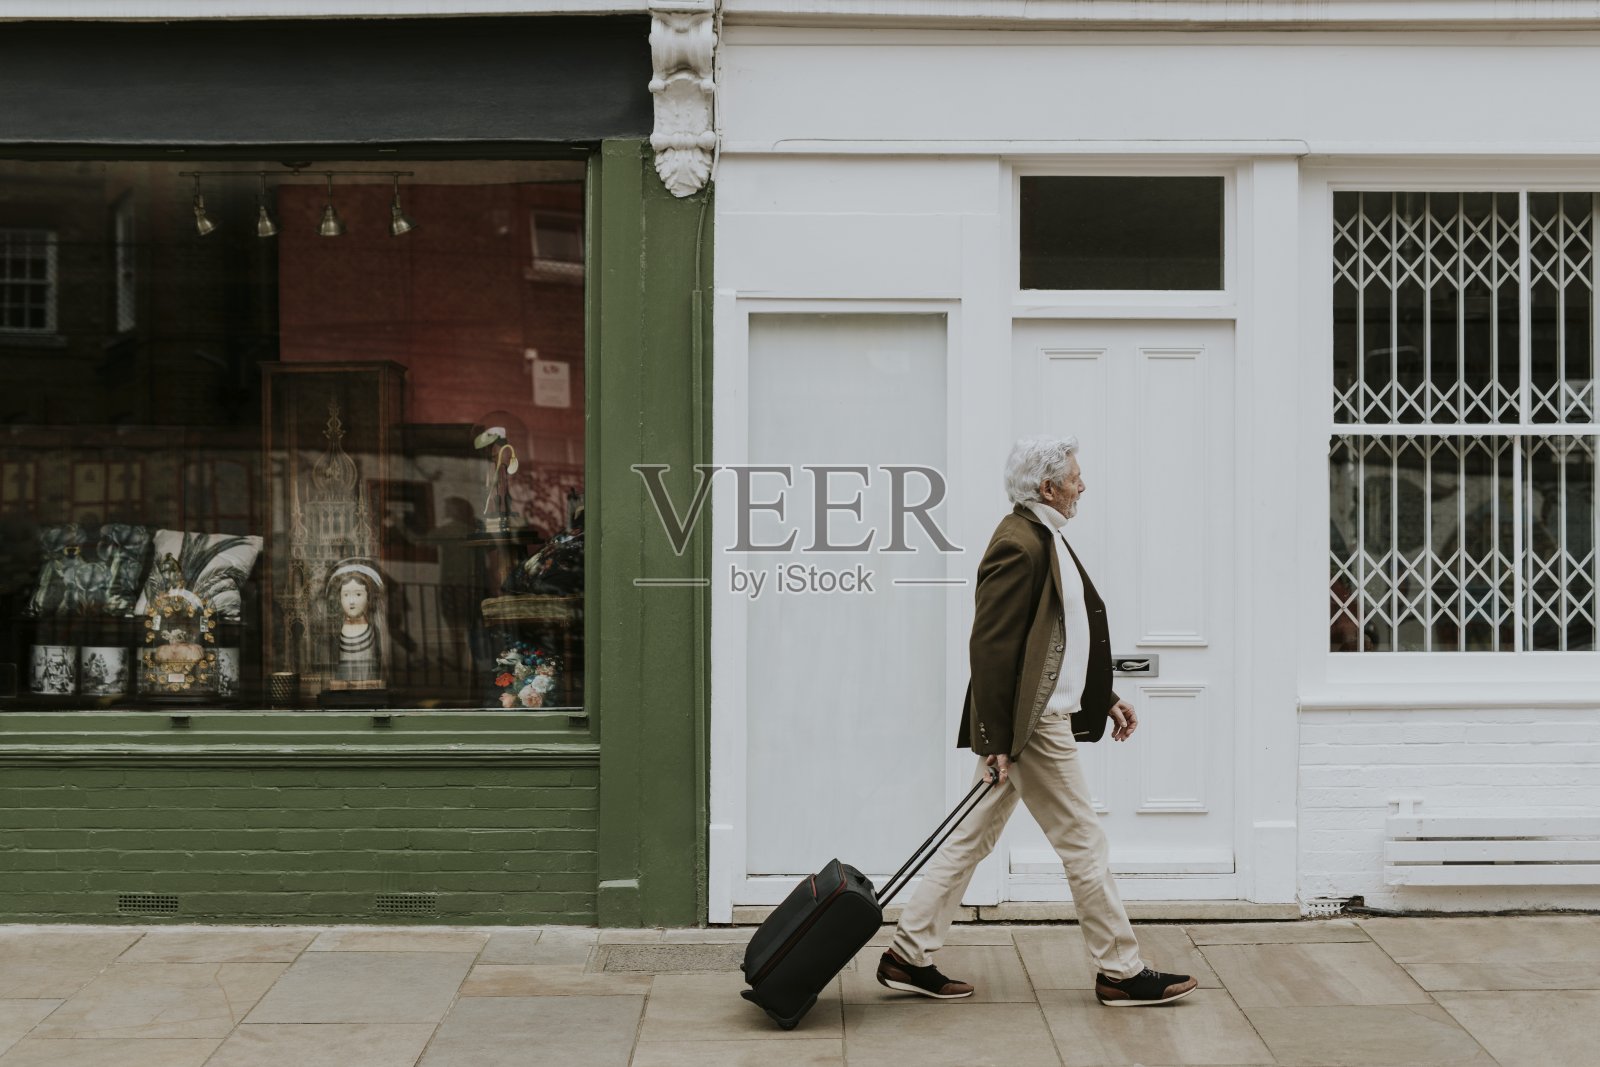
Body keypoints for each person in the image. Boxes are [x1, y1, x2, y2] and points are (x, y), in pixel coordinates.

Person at [876, 434, 1198, 1008]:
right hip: (1033, 726)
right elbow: (992, 648)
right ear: (1047, 487)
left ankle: (908, 952)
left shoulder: (1044, 536)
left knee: (971, 837)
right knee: (1084, 842)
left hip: (1033, 716)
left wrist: (1101, 697)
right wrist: (998, 737)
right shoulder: (1018, 543)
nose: (1083, 485)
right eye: (1075, 477)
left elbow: (1055, 644)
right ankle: (1120, 971)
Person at [328, 564, 384, 685]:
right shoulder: (337, 632)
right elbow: (334, 660)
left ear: (368, 598)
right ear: (339, 598)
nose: (351, 601)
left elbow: (379, 658)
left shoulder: (374, 631)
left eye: (358, 594)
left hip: (369, 681)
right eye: (346, 595)